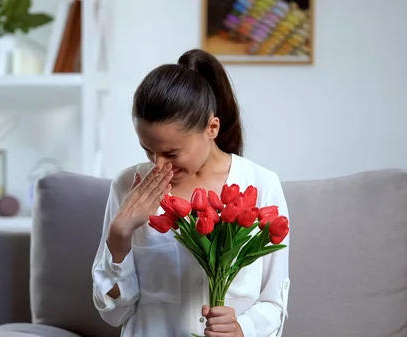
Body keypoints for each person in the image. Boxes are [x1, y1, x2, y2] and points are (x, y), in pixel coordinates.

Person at [91, 49, 290, 337]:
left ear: (212, 128)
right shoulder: (128, 186)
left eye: (171, 152)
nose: (158, 165)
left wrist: (242, 328)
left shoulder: (261, 184)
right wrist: (119, 235)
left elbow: (274, 303)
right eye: (148, 150)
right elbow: (114, 313)